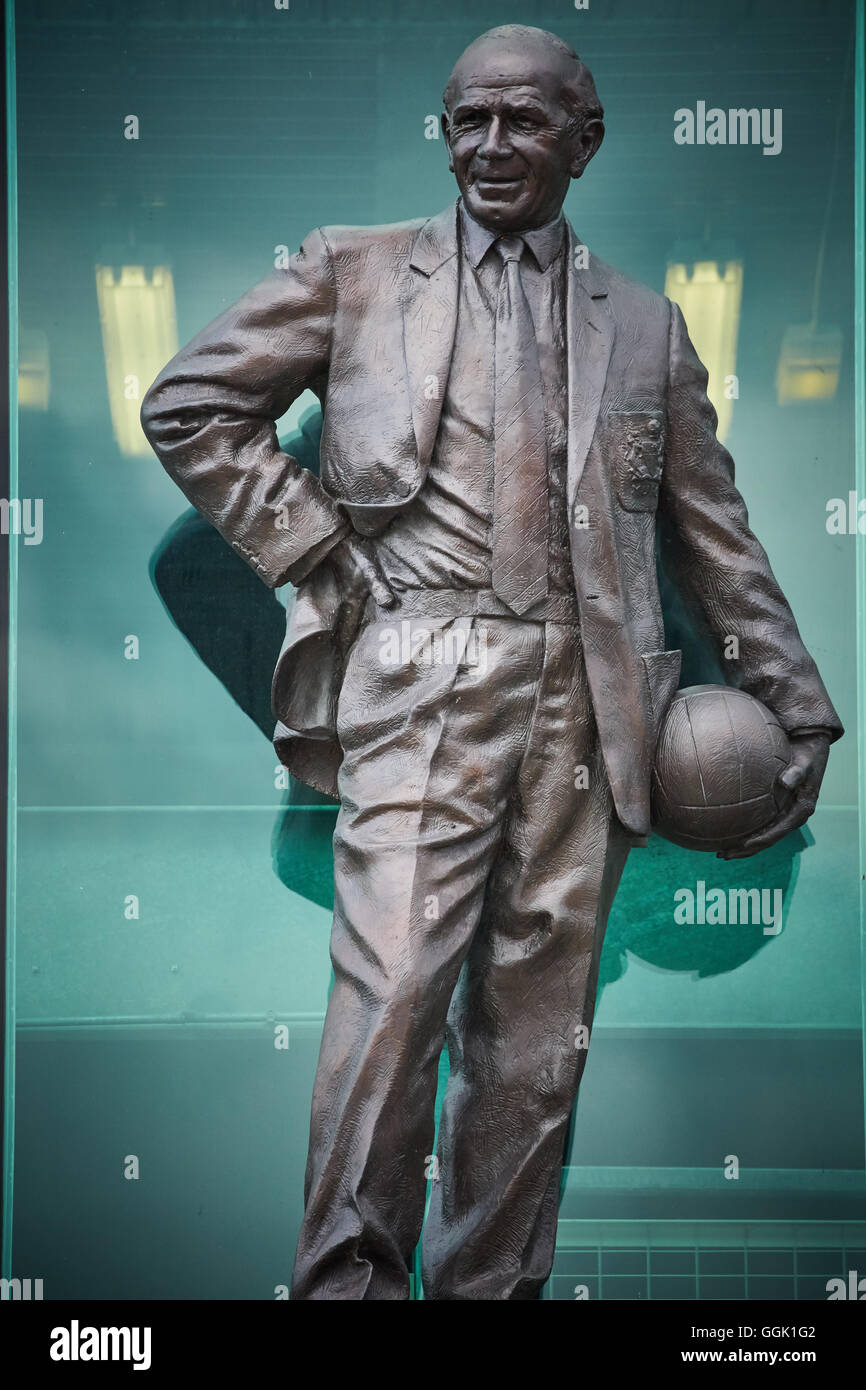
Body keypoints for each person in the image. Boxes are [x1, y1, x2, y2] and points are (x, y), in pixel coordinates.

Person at [141, 25, 842, 1300]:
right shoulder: (351, 273)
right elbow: (189, 403)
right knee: (392, 1000)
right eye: (467, 120)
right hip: (417, 672)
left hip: (586, 701)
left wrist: (801, 717)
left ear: (584, 141)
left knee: (530, 1048)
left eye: (522, 122)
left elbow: (715, 540)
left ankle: (490, 1294)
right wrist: (312, 553)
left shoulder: (642, 326)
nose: (490, 145)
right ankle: (345, 1283)